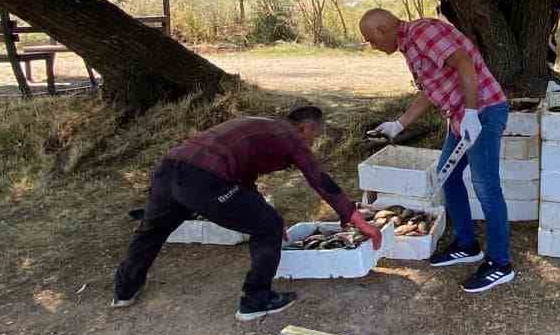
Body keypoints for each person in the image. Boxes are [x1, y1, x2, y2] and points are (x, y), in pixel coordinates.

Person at [111, 105, 382, 321]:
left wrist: (260, 212)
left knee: (152, 229)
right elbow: (319, 177)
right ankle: (256, 299)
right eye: (314, 137)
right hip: (204, 179)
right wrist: (354, 217)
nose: (311, 144)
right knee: (268, 226)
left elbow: (243, 180)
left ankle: (125, 290)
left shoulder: (259, 128)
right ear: (305, 127)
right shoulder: (290, 136)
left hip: (169, 169)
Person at [359, 8, 515, 293]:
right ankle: (467, 244)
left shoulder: (423, 32)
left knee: (486, 187)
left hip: (483, 112)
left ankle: (500, 264)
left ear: (383, 29)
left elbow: (464, 63)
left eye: (371, 39)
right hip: (461, 118)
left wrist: (470, 113)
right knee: (449, 176)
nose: (372, 46)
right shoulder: (409, 46)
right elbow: (432, 90)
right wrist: (399, 124)